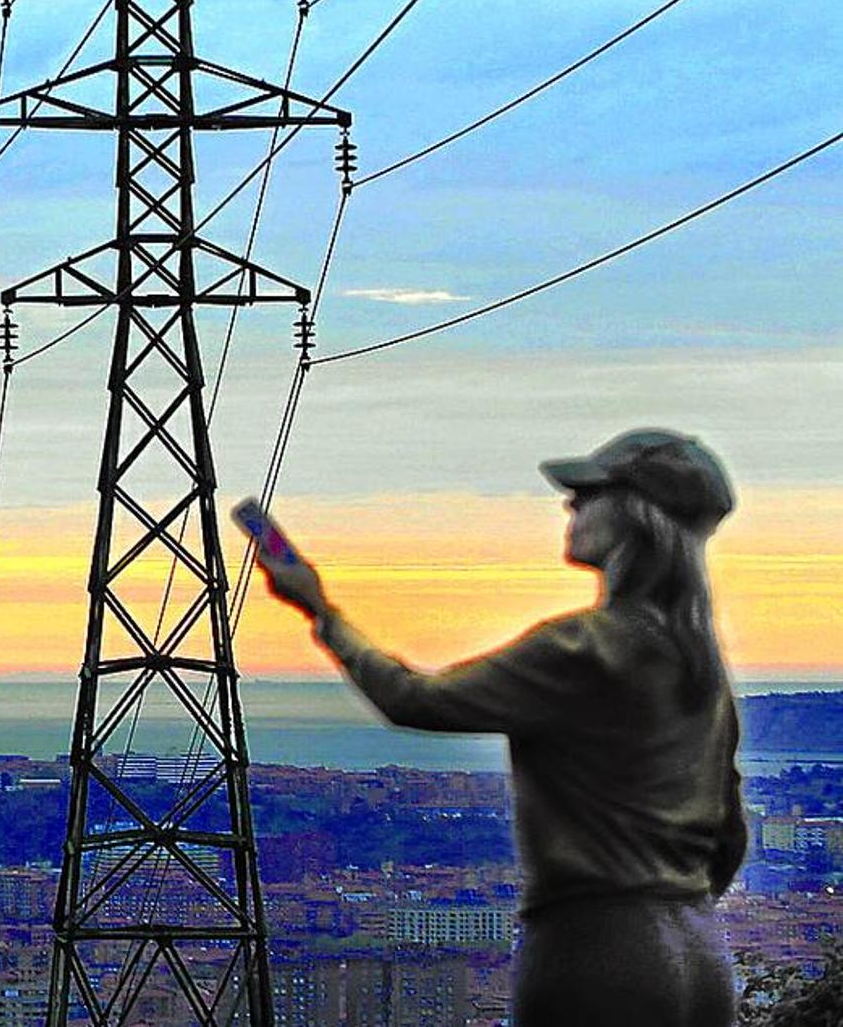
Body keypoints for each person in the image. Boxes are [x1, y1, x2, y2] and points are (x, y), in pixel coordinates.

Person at [254, 428, 747, 1027]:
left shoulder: (585, 648)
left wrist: (321, 612)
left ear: (635, 515)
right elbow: (729, 840)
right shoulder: (700, 669)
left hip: (597, 950)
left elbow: (414, 699)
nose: (571, 505)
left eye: (589, 494)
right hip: (701, 956)